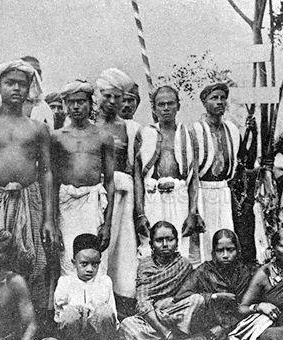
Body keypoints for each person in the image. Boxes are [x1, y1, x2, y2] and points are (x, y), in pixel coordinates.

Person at [0, 59, 56, 314]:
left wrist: (49, 218)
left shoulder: (37, 128)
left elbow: (47, 172)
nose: (16, 89)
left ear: (30, 87)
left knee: (34, 261)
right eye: (10, 83)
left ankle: (34, 328)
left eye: (22, 84)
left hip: (31, 201)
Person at [51, 80, 115, 276]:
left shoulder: (103, 136)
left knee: (94, 257)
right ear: (65, 105)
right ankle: (69, 306)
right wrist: (53, 221)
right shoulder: (57, 137)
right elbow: (52, 181)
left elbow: (110, 181)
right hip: (67, 205)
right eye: (71, 102)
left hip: (92, 204)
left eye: (81, 101)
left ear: (90, 103)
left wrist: (107, 223)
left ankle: (97, 305)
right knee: (68, 256)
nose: (76, 106)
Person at [134, 85, 203, 262]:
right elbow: (138, 178)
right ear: (154, 108)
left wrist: (192, 213)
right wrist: (140, 214)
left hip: (179, 197)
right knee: (151, 247)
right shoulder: (145, 133)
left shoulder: (187, 134)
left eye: (170, 104)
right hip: (153, 198)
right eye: (161, 104)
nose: (165, 108)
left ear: (178, 106)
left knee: (180, 246)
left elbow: (194, 177)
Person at [119, 221, 205, 340]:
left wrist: (169, 302)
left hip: (175, 314)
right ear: (152, 244)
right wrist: (164, 330)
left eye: (169, 240)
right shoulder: (145, 265)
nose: (165, 244)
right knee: (127, 324)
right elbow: (143, 303)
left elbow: (189, 292)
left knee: (197, 300)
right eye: (159, 240)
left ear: (176, 242)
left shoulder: (184, 264)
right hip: (152, 316)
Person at [95, 68, 139, 301]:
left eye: (117, 96)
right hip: (95, 193)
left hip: (123, 193)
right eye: (107, 95)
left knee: (122, 248)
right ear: (98, 95)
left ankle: (120, 297)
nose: (112, 101)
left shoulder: (129, 128)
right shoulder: (89, 125)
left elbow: (136, 167)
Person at [54, 234, 118, 340]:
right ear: (74, 262)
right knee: (69, 313)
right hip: (75, 334)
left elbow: (112, 313)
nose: (90, 269)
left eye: (95, 264)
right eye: (84, 264)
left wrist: (94, 312)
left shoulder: (104, 281)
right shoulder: (65, 282)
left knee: (104, 312)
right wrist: (78, 311)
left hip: (97, 335)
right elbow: (59, 314)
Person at [192, 83, 241, 264]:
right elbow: (193, 170)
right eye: (214, 98)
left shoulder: (232, 130)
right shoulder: (196, 129)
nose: (220, 102)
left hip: (223, 190)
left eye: (223, 98)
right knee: (204, 239)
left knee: (226, 235)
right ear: (204, 102)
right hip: (202, 189)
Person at [175, 229, 251, 338]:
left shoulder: (244, 272)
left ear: (238, 250)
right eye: (220, 250)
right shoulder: (203, 271)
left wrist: (224, 327)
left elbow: (245, 305)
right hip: (207, 325)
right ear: (213, 253)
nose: (225, 255)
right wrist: (213, 297)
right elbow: (181, 296)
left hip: (236, 323)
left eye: (230, 250)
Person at [20, 55, 55, 130]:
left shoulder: (44, 107)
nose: (36, 77)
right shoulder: (5, 105)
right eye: (32, 72)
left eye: (38, 73)